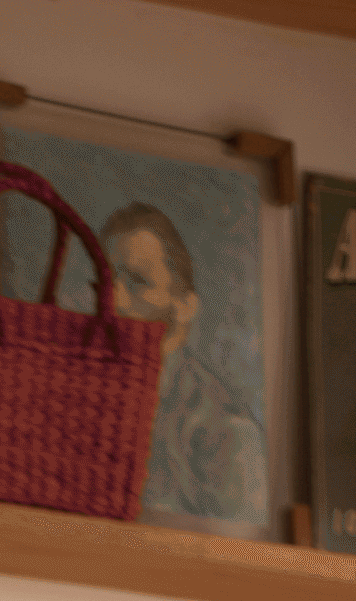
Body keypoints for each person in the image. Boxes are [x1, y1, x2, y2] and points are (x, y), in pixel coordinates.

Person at [96, 200, 265, 526]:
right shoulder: (81, 402)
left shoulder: (227, 434)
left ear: (185, 307)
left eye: (138, 282)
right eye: (106, 282)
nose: (114, 302)